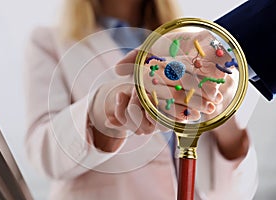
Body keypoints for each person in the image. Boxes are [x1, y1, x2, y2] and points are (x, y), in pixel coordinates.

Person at [23, 0, 259, 199]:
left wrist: (221, 114)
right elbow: (42, 153)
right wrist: (102, 112)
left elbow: (239, 184)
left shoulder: (193, 42)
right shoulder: (48, 41)